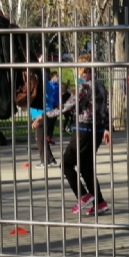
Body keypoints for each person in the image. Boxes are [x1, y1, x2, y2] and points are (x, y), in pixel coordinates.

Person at [33, 54, 111, 215]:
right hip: (96, 130)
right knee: (86, 166)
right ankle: (100, 202)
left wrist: (44, 115)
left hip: (84, 129)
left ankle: (82, 195)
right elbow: (105, 109)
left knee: (67, 163)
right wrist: (106, 127)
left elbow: (68, 105)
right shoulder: (100, 86)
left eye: (76, 67)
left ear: (82, 69)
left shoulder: (85, 86)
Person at [45, 71, 60, 145]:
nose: (57, 78)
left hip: (56, 106)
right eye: (56, 76)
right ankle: (45, 137)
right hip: (50, 106)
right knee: (48, 122)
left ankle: (49, 137)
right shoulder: (49, 85)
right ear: (52, 77)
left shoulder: (57, 85)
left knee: (53, 123)